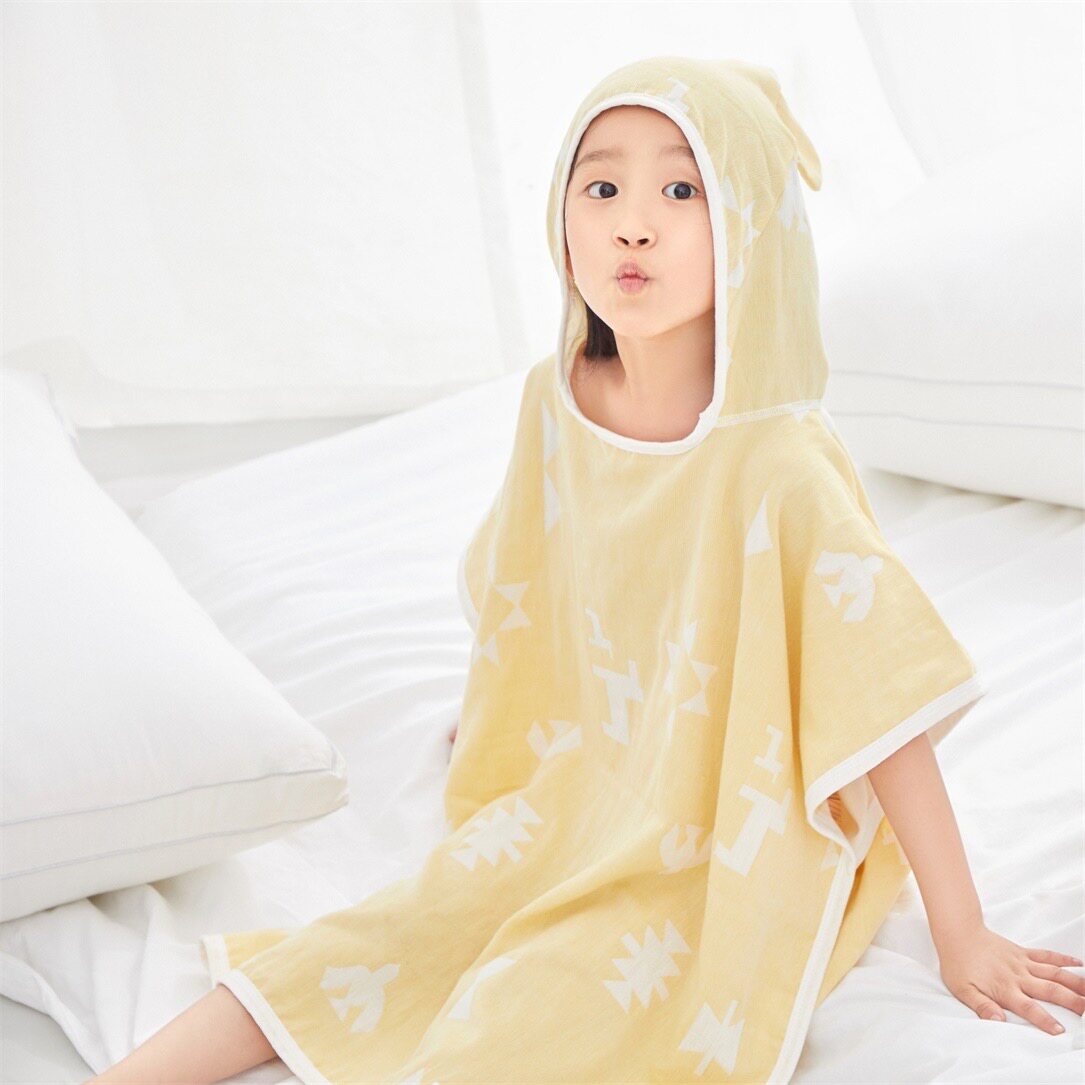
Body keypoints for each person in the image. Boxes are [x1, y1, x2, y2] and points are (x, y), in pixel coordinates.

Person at [88, 57, 1083, 1085]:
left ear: (752, 228)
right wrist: (507, 706)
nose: (631, 226)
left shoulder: (777, 465)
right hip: (572, 785)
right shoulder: (553, 398)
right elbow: (534, 583)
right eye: (600, 186)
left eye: (682, 189)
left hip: (710, 830)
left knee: (528, 1012)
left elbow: (880, 695)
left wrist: (962, 933)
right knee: (368, 945)